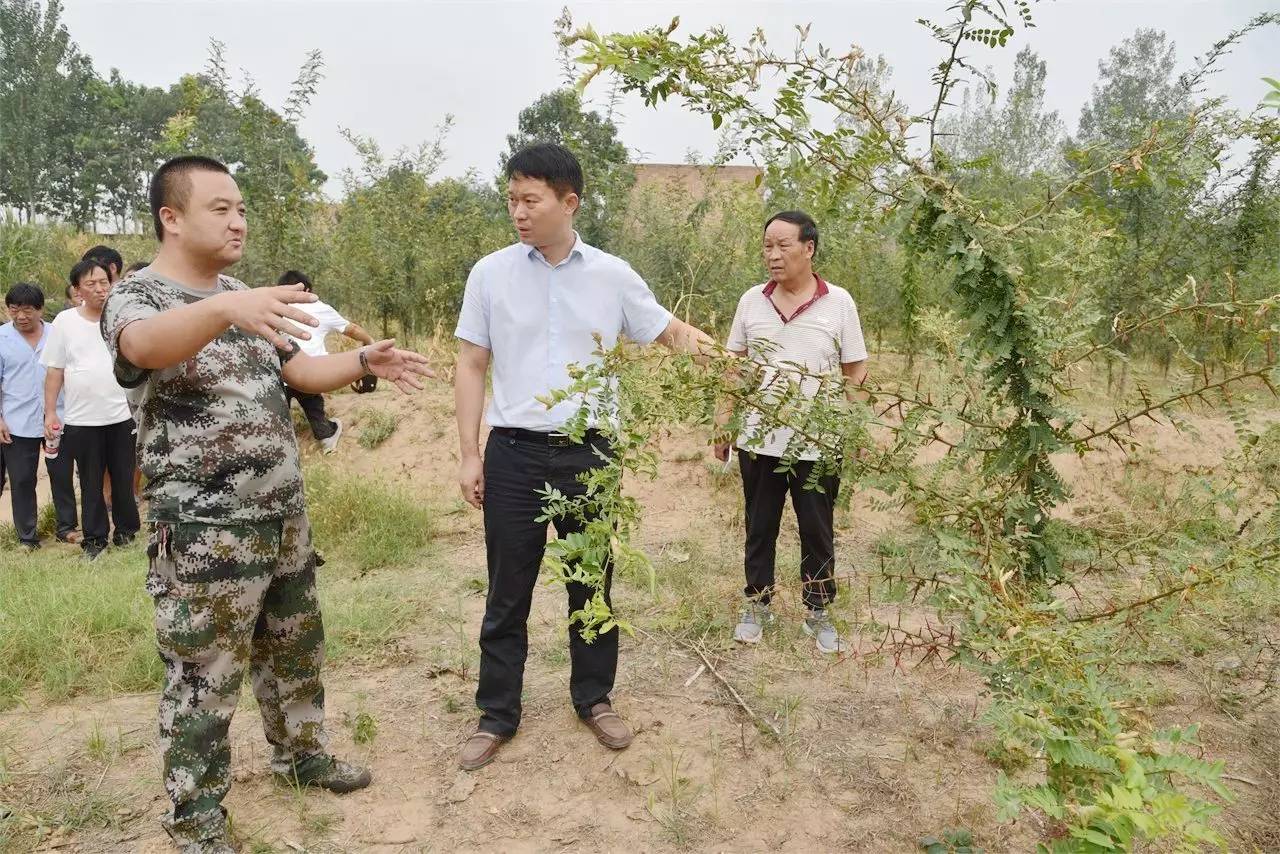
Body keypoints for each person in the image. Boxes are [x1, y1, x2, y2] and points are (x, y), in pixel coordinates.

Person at [101, 155, 433, 854]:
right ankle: (195, 819)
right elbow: (141, 350)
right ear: (171, 216)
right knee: (203, 677)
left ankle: (302, 757)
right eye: (221, 208)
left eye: (242, 208)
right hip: (202, 532)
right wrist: (224, 306)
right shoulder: (140, 297)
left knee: (295, 650)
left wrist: (364, 366)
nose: (239, 220)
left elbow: (297, 372)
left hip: (281, 516)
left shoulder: (246, 296)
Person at [454, 143, 713, 771]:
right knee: (507, 589)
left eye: (530, 200)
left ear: (569, 203)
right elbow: (470, 362)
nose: (517, 211)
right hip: (512, 452)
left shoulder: (613, 276)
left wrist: (730, 363)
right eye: (511, 198)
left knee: (591, 581)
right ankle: (497, 714)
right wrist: (469, 453)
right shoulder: (490, 273)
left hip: (589, 452)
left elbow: (669, 332)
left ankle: (594, 699)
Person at [714, 211, 869, 654]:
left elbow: (855, 368)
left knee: (817, 528)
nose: (773, 255)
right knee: (759, 526)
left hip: (818, 442)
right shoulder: (751, 301)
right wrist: (723, 421)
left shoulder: (839, 303)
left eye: (783, 245)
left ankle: (818, 610)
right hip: (760, 441)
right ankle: (757, 604)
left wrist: (852, 428)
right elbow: (733, 368)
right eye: (767, 246)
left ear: (809, 248)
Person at [43, 259, 140, 559]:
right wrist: (50, 412)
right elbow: (55, 371)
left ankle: (126, 532)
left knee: (124, 477)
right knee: (90, 481)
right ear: (77, 290)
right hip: (82, 419)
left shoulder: (121, 317)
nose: (99, 289)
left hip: (120, 415)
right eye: (91, 284)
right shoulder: (65, 322)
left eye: (104, 282)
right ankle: (96, 539)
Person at [0, 283, 79, 549]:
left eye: (27, 310)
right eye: (14, 310)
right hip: (16, 423)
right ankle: (27, 537)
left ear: (40, 309)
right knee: (22, 480)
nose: (21, 316)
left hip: (58, 419)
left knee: (62, 475)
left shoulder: (58, 334)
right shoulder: (1, 338)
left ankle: (66, 528)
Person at [280, 269, 375, 454]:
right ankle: (325, 437)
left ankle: (282, 445)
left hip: (279, 372)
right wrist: (370, 342)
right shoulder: (318, 307)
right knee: (313, 406)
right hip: (309, 373)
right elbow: (351, 329)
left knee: (279, 413)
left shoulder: (274, 308)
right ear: (307, 290)